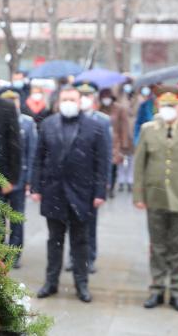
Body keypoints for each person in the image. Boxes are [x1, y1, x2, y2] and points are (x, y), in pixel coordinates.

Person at [31, 86, 109, 303]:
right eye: (64, 99)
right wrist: (36, 187)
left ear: (80, 101)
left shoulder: (95, 126)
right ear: (58, 102)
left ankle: (81, 284)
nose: (68, 102)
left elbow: (102, 162)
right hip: (53, 191)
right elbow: (38, 158)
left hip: (82, 193)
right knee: (54, 241)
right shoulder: (48, 124)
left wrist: (100, 191)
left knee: (80, 242)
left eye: (72, 99)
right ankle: (51, 281)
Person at [133, 87, 178, 313]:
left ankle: (176, 290)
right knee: (157, 246)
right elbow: (139, 166)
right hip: (155, 196)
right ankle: (156, 288)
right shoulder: (148, 130)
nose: (167, 110)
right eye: (164, 106)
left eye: (172, 106)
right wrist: (139, 195)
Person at [72, 84, 112, 273]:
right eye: (82, 95)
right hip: (72, 181)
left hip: (91, 181)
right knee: (72, 223)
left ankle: (90, 257)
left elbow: (105, 155)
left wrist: (103, 185)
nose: (85, 98)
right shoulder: (70, 118)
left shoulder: (102, 121)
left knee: (90, 223)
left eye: (88, 95)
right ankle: (74, 257)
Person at [0, 90, 38, 268]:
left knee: (16, 218)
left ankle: (14, 254)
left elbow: (32, 153)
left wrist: (30, 178)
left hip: (19, 179)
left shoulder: (27, 123)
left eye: (14, 100)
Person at [100, 88, 134, 196]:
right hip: (102, 140)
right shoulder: (99, 109)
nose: (106, 100)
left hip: (116, 141)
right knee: (103, 165)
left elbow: (124, 126)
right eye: (103, 98)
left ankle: (111, 187)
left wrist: (124, 144)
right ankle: (104, 185)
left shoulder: (119, 109)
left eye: (107, 97)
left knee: (114, 165)